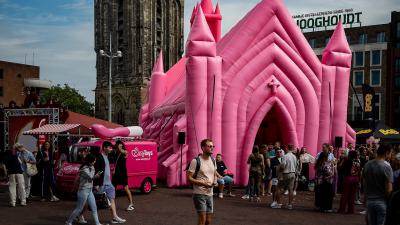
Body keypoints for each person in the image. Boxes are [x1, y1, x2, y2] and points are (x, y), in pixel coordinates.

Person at [66, 154, 105, 225]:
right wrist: (96, 176)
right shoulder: (84, 169)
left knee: (94, 207)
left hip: (89, 190)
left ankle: (97, 223)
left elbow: (91, 178)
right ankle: (68, 222)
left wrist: (96, 176)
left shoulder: (92, 167)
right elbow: (90, 177)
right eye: (94, 160)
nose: (95, 162)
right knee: (79, 208)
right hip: (83, 190)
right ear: (90, 161)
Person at [186, 139, 218, 225]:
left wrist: (215, 181)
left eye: (213, 146)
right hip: (199, 194)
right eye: (210, 146)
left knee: (208, 221)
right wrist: (202, 183)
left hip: (210, 194)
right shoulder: (196, 161)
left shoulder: (213, 160)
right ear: (203, 148)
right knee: (202, 220)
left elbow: (214, 173)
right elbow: (189, 178)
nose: (212, 148)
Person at [94, 141, 126, 224]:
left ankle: (115, 217)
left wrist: (119, 146)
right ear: (104, 147)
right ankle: (79, 213)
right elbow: (97, 171)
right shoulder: (99, 157)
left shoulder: (108, 156)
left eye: (111, 148)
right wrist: (96, 184)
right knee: (93, 202)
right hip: (101, 184)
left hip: (109, 184)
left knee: (112, 200)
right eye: (109, 147)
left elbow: (125, 153)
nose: (111, 149)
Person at [363, 144, 393, 225]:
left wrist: (365, 199)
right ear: (387, 153)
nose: (390, 155)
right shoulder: (387, 167)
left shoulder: (367, 164)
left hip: (369, 201)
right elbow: (388, 189)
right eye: (390, 153)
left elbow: (364, 184)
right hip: (382, 202)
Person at [272, 144, 297, 209]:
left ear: (287, 148)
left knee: (279, 188)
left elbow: (283, 166)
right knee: (290, 189)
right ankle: (290, 205)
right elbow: (296, 165)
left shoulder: (285, 156)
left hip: (286, 173)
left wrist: (279, 171)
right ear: (292, 148)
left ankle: (279, 204)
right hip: (293, 173)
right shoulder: (294, 156)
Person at [112, 140, 134, 211]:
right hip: (116, 172)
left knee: (125, 188)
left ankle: (131, 204)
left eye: (117, 144)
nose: (116, 145)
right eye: (116, 144)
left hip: (123, 172)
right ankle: (112, 202)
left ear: (121, 145)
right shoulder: (115, 152)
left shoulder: (125, 152)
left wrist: (120, 148)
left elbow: (124, 153)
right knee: (113, 187)